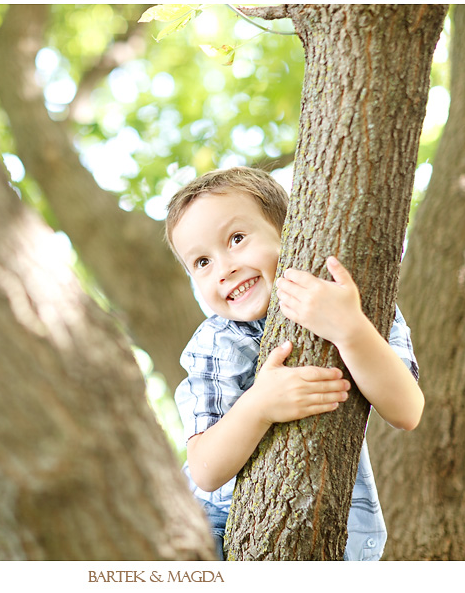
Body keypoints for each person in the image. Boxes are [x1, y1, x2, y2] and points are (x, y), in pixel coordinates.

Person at [165, 166, 424, 560]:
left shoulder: (352, 301)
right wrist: (258, 404)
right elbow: (204, 468)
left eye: (236, 239)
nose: (224, 268)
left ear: (292, 232)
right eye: (201, 262)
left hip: (326, 526)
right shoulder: (216, 341)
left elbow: (407, 410)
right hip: (213, 532)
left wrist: (351, 330)